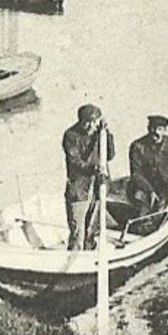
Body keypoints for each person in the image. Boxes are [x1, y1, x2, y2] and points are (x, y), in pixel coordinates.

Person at [63, 103, 115, 251]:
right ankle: (74, 258)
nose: (91, 125)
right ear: (80, 121)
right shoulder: (71, 135)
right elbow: (75, 161)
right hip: (79, 187)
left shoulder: (100, 133)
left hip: (99, 185)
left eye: (94, 122)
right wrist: (93, 168)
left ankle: (90, 253)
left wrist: (107, 134)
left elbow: (110, 155)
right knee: (77, 230)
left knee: (92, 227)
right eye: (87, 122)